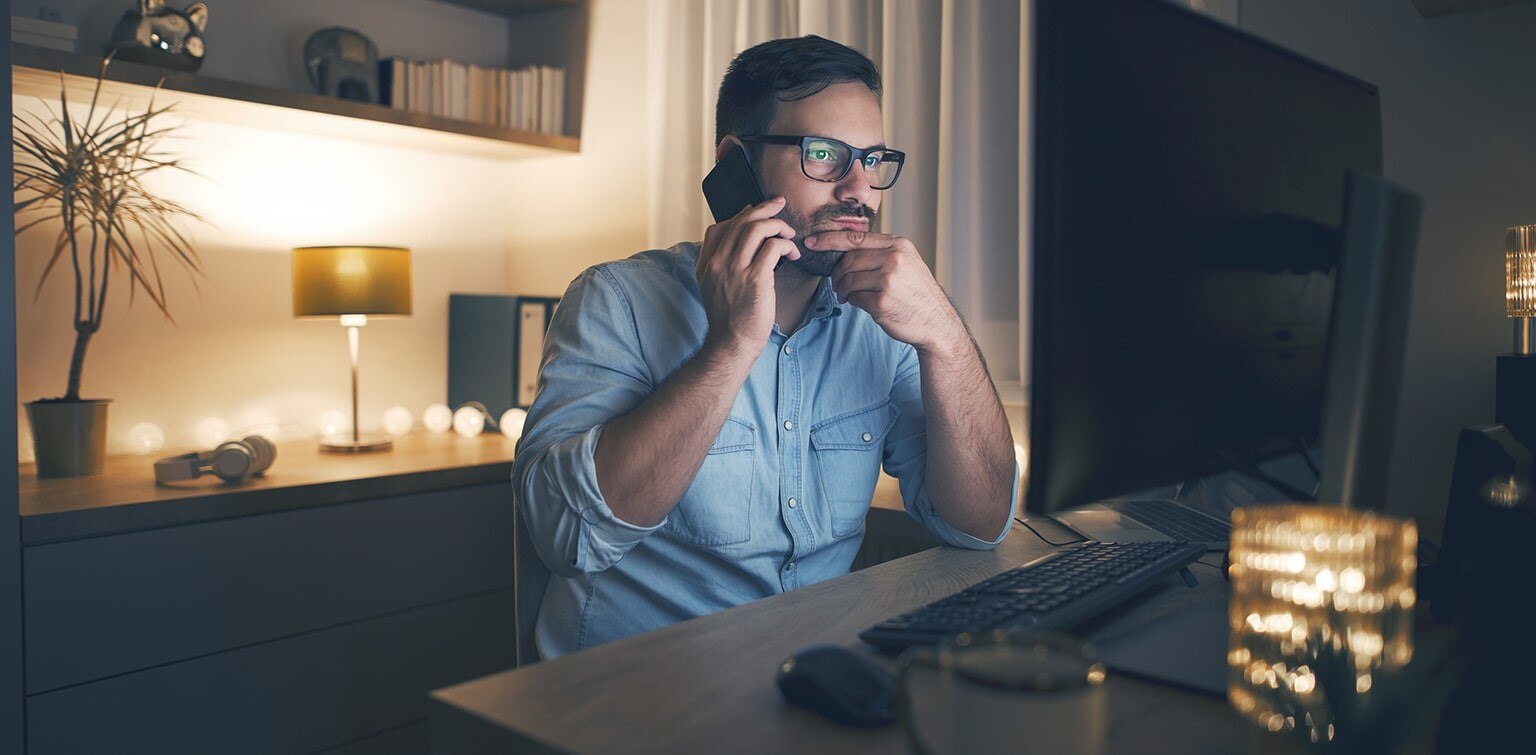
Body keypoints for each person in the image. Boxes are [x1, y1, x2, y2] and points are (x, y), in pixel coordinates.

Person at [512, 35, 1018, 660]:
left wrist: (945, 336)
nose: (860, 189)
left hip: (806, 682)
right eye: (824, 155)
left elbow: (980, 525)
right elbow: (568, 539)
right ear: (736, 163)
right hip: (635, 692)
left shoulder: (880, 324)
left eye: (873, 160)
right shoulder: (615, 301)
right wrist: (730, 348)